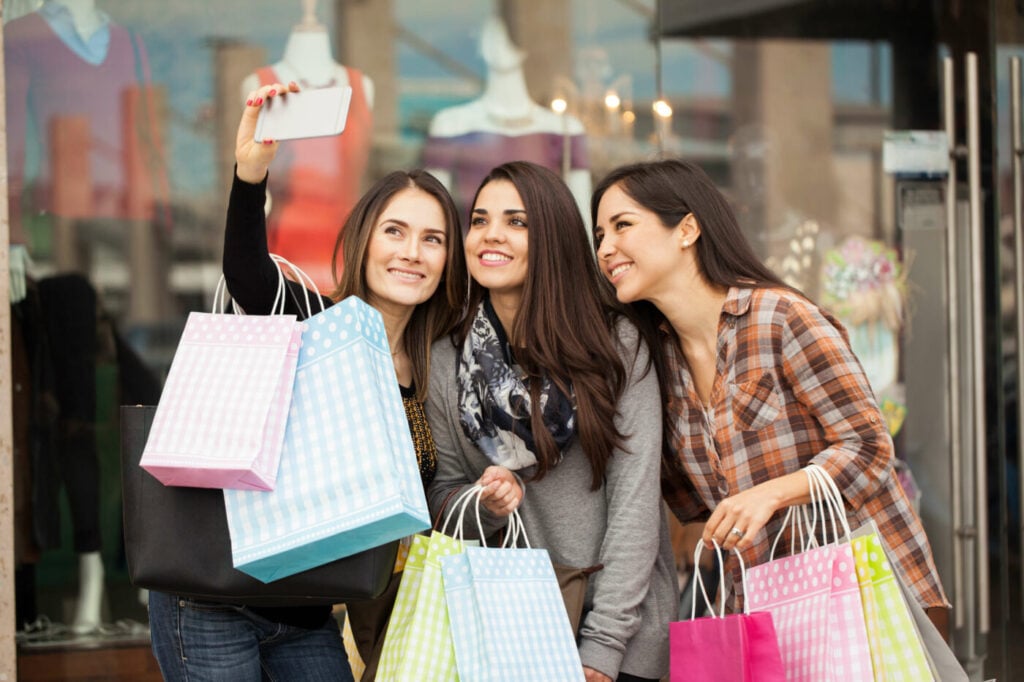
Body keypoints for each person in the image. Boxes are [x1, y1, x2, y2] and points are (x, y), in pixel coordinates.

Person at [147, 80, 467, 682]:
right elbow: (246, 274)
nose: (412, 253)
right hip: (215, 594)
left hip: (314, 614)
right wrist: (251, 177)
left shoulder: (435, 369)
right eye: (395, 231)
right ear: (365, 237)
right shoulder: (314, 320)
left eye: (433, 239)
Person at [590, 158, 950, 633]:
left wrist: (772, 494)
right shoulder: (660, 364)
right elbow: (691, 503)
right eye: (599, 236)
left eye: (622, 226)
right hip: (765, 606)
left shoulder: (780, 318)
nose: (606, 248)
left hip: (861, 597)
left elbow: (870, 447)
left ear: (687, 229)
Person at [425, 160, 676, 682]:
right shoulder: (448, 359)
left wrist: (601, 648)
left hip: (618, 644)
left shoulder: (614, 345)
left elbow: (634, 502)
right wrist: (486, 505)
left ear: (554, 239)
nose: (492, 235)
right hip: (510, 634)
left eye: (517, 222)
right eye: (480, 220)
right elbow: (444, 495)